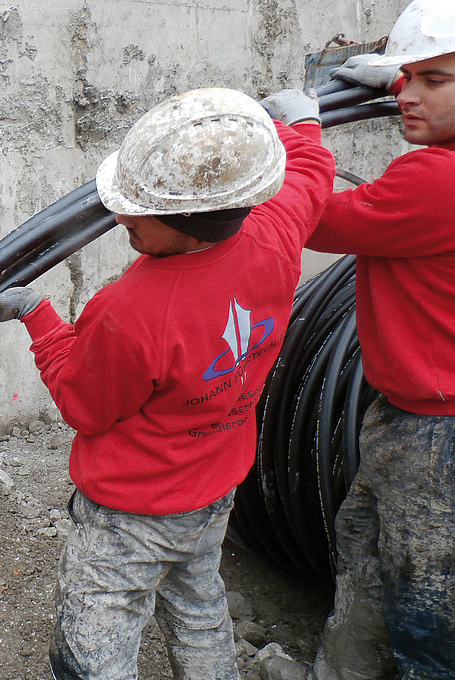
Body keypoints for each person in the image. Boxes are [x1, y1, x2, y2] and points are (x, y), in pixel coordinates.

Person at [0, 87, 335, 679]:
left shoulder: (132, 311)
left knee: (95, 649)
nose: (120, 217)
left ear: (191, 222)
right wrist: (302, 125)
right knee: (197, 604)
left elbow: (85, 407)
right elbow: (311, 175)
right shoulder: (274, 232)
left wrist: (36, 314)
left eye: (140, 210)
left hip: (130, 512)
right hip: (213, 487)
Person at [300, 1, 455, 677]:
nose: (406, 96)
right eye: (404, 79)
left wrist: (302, 135)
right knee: (366, 549)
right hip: (409, 419)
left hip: (436, 435)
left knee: (428, 619)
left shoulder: (435, 180)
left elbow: (315, 220)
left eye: (435, 80)